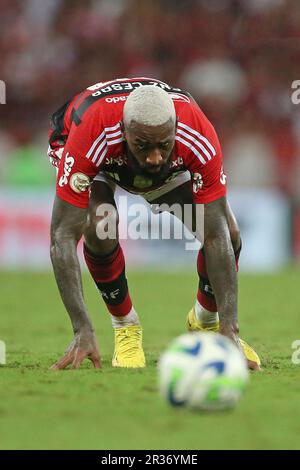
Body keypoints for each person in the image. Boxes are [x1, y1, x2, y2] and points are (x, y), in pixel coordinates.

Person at [48, 77, 260, 371]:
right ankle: (126, 327)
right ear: (124, 131)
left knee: (229, 232)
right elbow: (62, 237)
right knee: (100, 224)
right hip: (98, 157)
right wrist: (81, 328)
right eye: (143, 145)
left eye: (164, 144)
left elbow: (216, 236)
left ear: (175, 130)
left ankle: (206, 323)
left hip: (149, 163)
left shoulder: (197, 133)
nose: (154, 157)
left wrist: (230, 328)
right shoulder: (94, 132)